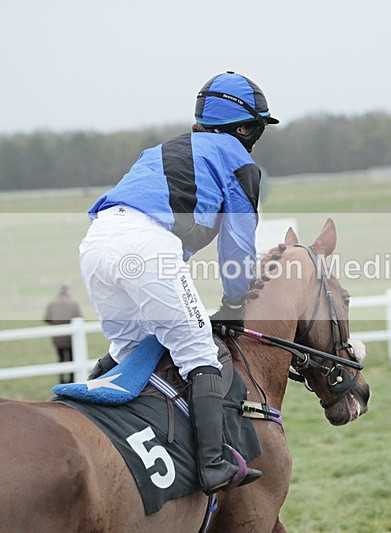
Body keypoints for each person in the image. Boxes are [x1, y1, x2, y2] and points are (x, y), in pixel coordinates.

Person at [79, 71, 277, 494]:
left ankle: (89, 423)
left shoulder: (161, 149)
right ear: (245, 128)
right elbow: (238, 245)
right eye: (257, 127)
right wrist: (234, 304)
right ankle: (213, 465)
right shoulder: (240, 161)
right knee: (198, 351)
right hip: (147, 245)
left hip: (96, 242)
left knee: (131, 350)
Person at [43, 285, 83, 384]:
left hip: (57, 337)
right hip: (71, 338)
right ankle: (72, 380)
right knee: (72, 358)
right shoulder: (73, 303)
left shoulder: (52, 303)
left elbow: (46, 318)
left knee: (60, 358)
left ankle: (61, 379)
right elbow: (79, 318)